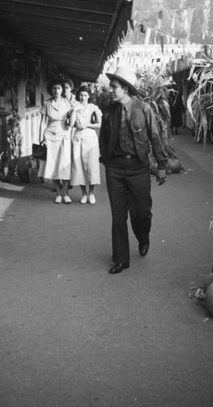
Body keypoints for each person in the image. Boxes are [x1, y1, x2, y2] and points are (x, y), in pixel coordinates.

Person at [99, 66, 168, 274]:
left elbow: (155, 137)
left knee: (141, 213)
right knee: (118, 216)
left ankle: (143, 236)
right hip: (116, 169)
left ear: (126, 89)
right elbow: (103, 137)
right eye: (111, 86)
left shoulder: (143, 109)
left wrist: (161, 165)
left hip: (138, 167)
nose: (110, 90)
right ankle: (121, 259)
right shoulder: (109, 111)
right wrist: (106, 160)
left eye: (114, 87)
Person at [38, 78, 72, 203]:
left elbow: (72, 120)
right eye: (54, 88)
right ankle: (58, 193)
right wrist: (41, 137)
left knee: (65, 164)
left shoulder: (67, 103)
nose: (56, 90)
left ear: (62, 89)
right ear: (50, 90)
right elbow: (42, 122)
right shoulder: (47, 103)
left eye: (59, 88)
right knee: (53, 165)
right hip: (50, 135)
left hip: (64, 134)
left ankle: (65, 192)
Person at [69, 85, 102, 204]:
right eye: (81, 95)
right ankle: (83, 193)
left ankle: (91, 193)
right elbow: (72, 124)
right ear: (78, 96)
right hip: (78, 137)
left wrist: (87, 125)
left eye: (85, 95)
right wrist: (74, 110)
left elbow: (99, 124)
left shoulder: (93, 108)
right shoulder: (75, 107)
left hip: (90, 138)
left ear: (89, 96)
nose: (83, 98)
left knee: (91, 165)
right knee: (79, 165)